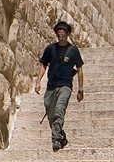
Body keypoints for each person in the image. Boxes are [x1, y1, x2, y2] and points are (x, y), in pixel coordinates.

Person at [34, 20, 84, 151]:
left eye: (63, 36)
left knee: (59, 110)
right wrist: (38, 81)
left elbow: (79, 69)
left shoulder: (73, 51)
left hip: (65, 85)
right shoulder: (51, 49)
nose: (61, 38)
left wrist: (81, 89)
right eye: (59, 36)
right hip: (51, 86)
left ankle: (55, 139)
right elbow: (43, 65)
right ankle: (61, 136)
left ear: (67, 35)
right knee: (50, 113)